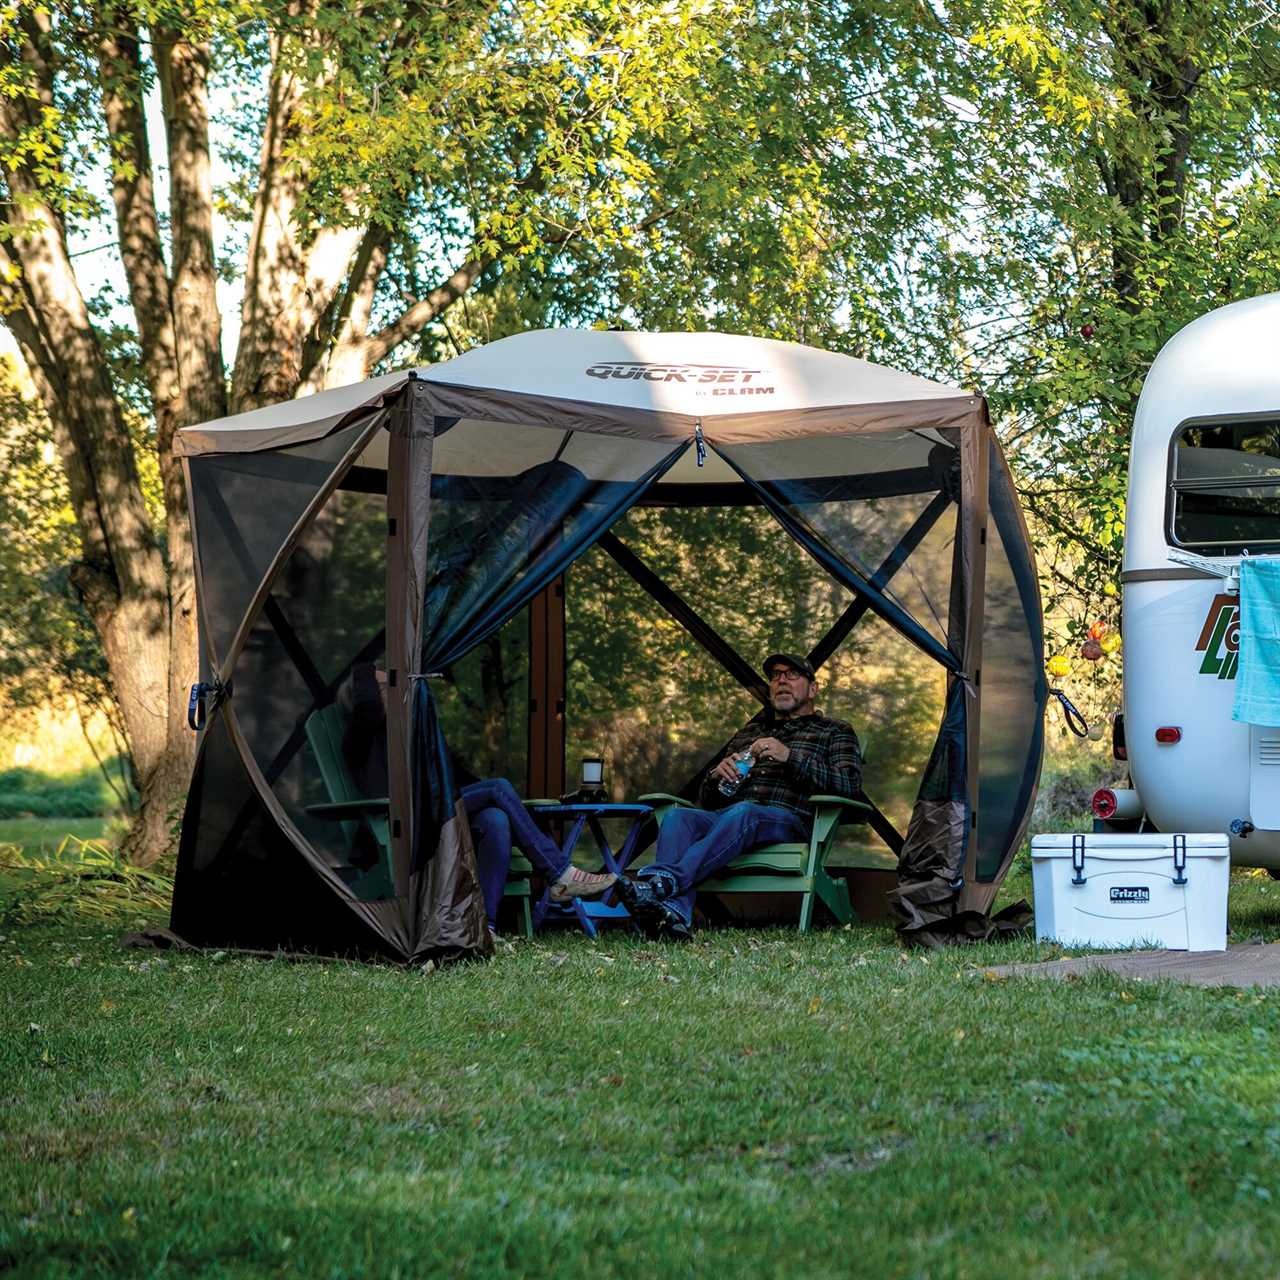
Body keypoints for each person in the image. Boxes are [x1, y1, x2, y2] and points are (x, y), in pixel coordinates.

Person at [338, 663, 614, 936]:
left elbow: (455, 775)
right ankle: (559, 873)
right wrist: (365, 668)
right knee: (498, 788)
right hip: (402, 823)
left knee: (496, 818)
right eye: (387, 687)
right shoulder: (358, 738)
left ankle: (486, 927)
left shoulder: (412, 734)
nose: (399, 691)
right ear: (367, 695)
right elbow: (367, 708)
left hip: (432, 814)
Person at [616, 652, 862, 939]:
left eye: (792, 675)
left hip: (788, 822)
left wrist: (790, 757)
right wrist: (717, 776)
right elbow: (708, 801)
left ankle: (662, 883)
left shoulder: (834, 730)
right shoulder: (750, 732)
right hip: (730, 821)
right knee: (677, 817)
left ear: (813, 689)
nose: (781, 680)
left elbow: (849, 785)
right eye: (775, 676)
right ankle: (673, 917)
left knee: (745, 811)